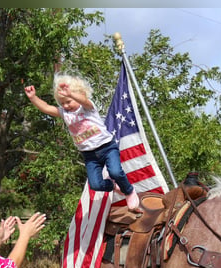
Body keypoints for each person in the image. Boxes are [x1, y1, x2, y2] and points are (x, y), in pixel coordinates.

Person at [24, 73, 141, 212]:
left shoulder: (87, 107)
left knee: (115, 171)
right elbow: (46, 108)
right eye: (63, 103)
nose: (66, 105)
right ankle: (114, 186)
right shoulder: (65, 113)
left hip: (107, 147)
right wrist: (33, 98)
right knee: (95, 185)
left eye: (69, 101)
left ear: (77, 95)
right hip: (90, 155)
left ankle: (129, 191)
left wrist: (71, 93)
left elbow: (83, 100)